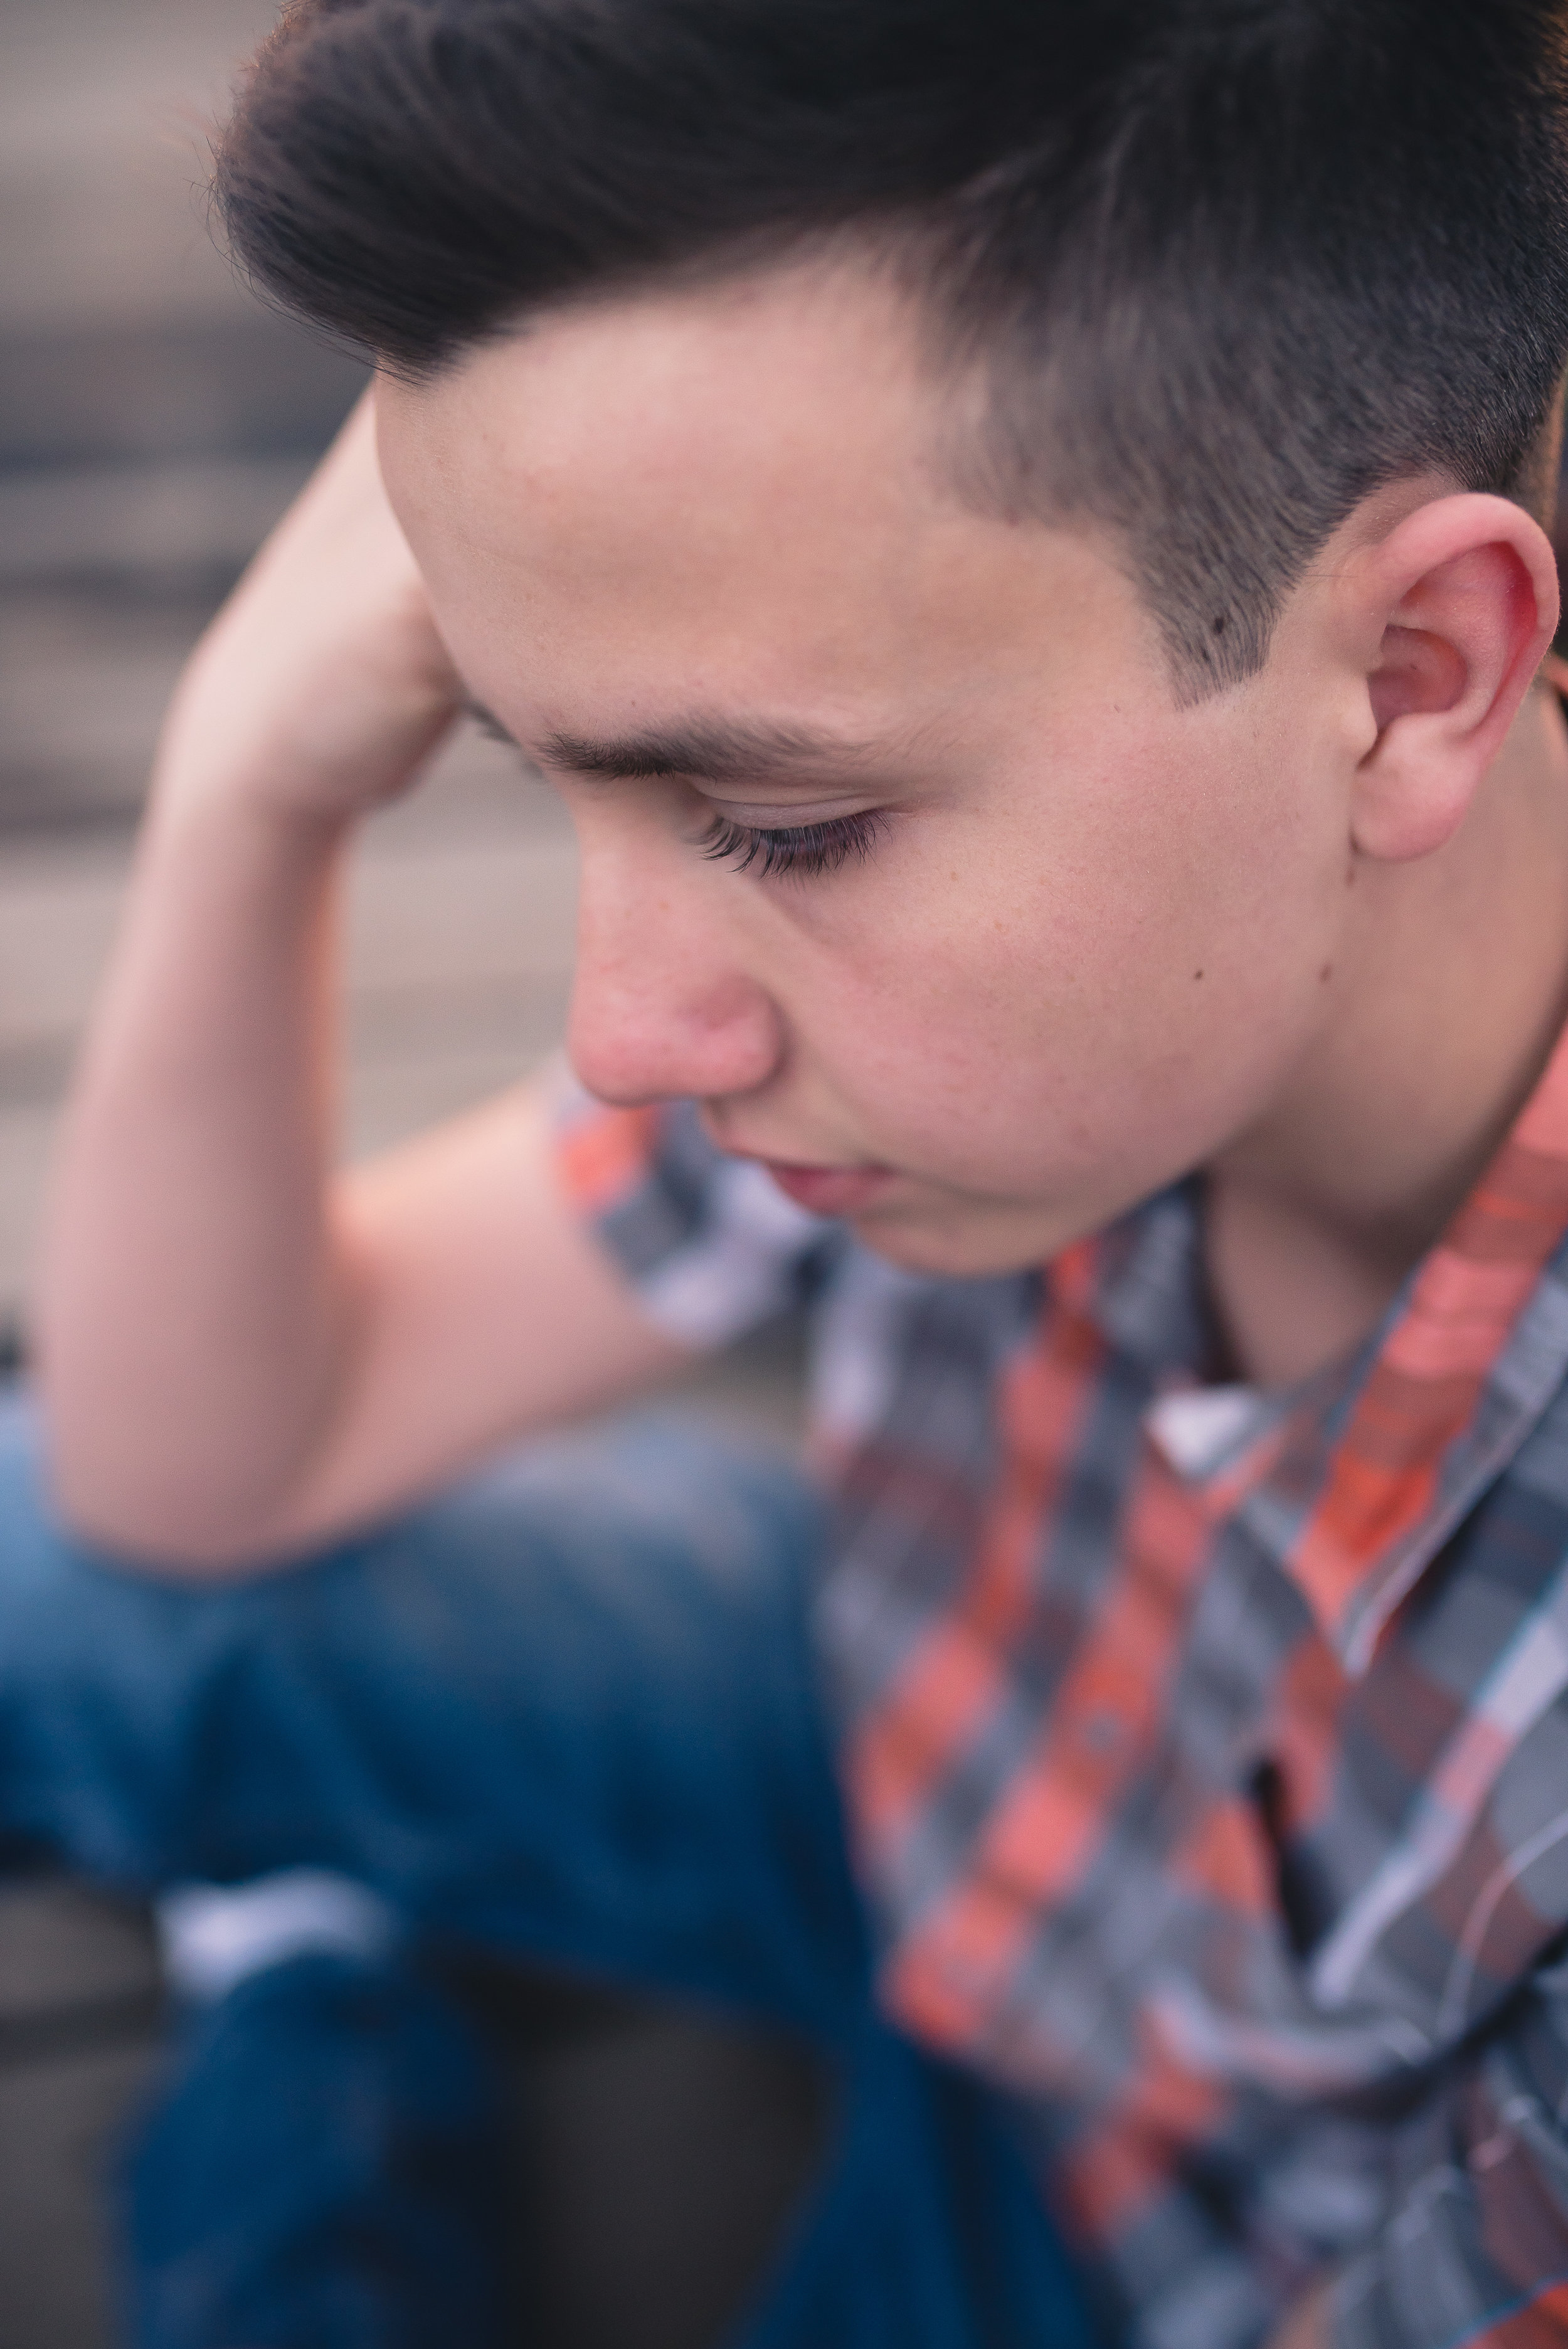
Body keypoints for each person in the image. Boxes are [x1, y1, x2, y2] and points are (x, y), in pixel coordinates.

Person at [8, 0, 1568, 2341]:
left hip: (1181, 2246)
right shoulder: (1031, 1008)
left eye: (784, 826)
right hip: (938, 1765)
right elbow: (200, 1463)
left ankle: (311, 2008)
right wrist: (253, 768)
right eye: (547, 778)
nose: (623, 1037)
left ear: (1412, 670)